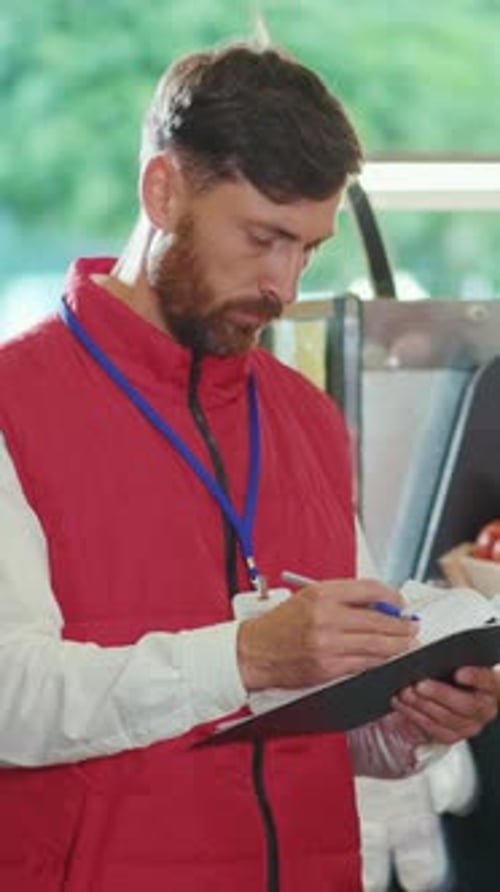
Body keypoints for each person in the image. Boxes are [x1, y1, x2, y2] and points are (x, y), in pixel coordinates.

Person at [0, 40, 496, 892]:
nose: (283, 282)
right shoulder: (16, 404)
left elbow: (336, 719)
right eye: (264, 237)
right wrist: (246, 657)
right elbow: (12, 696)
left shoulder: (303, 415)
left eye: (308, 248)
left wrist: (415, 722)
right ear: (163, 191)